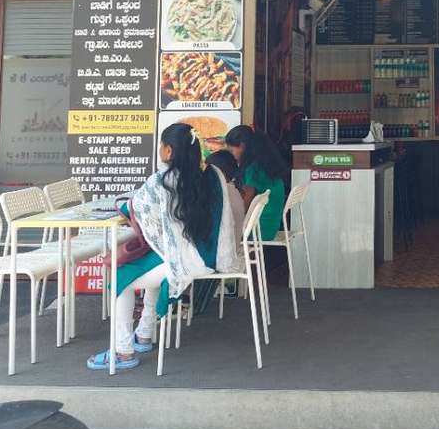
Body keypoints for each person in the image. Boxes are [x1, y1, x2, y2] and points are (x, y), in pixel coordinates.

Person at [87, 123, 239, 370]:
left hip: (183, 259)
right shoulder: (214, 174)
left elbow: (134, 208)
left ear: (168, 150)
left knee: (120, 276)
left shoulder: (161, 180)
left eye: (161, 146)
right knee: (148, 266)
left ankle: (123, 352)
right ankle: (144, 334)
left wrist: (124, 206)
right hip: (210, 256)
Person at [225, 125, 290, 243]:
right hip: (271, 226)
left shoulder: (253, 169)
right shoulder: (265, 164)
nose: (231, 155)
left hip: (258, 230)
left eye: (231, 151)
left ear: (242, 146)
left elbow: (247, 200)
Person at [205, 149, 246, 254]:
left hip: (222, 253)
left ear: (221, 173)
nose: (205, 175)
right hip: (231, 247)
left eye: (208, 171)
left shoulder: (221, 194)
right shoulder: (232, 190)